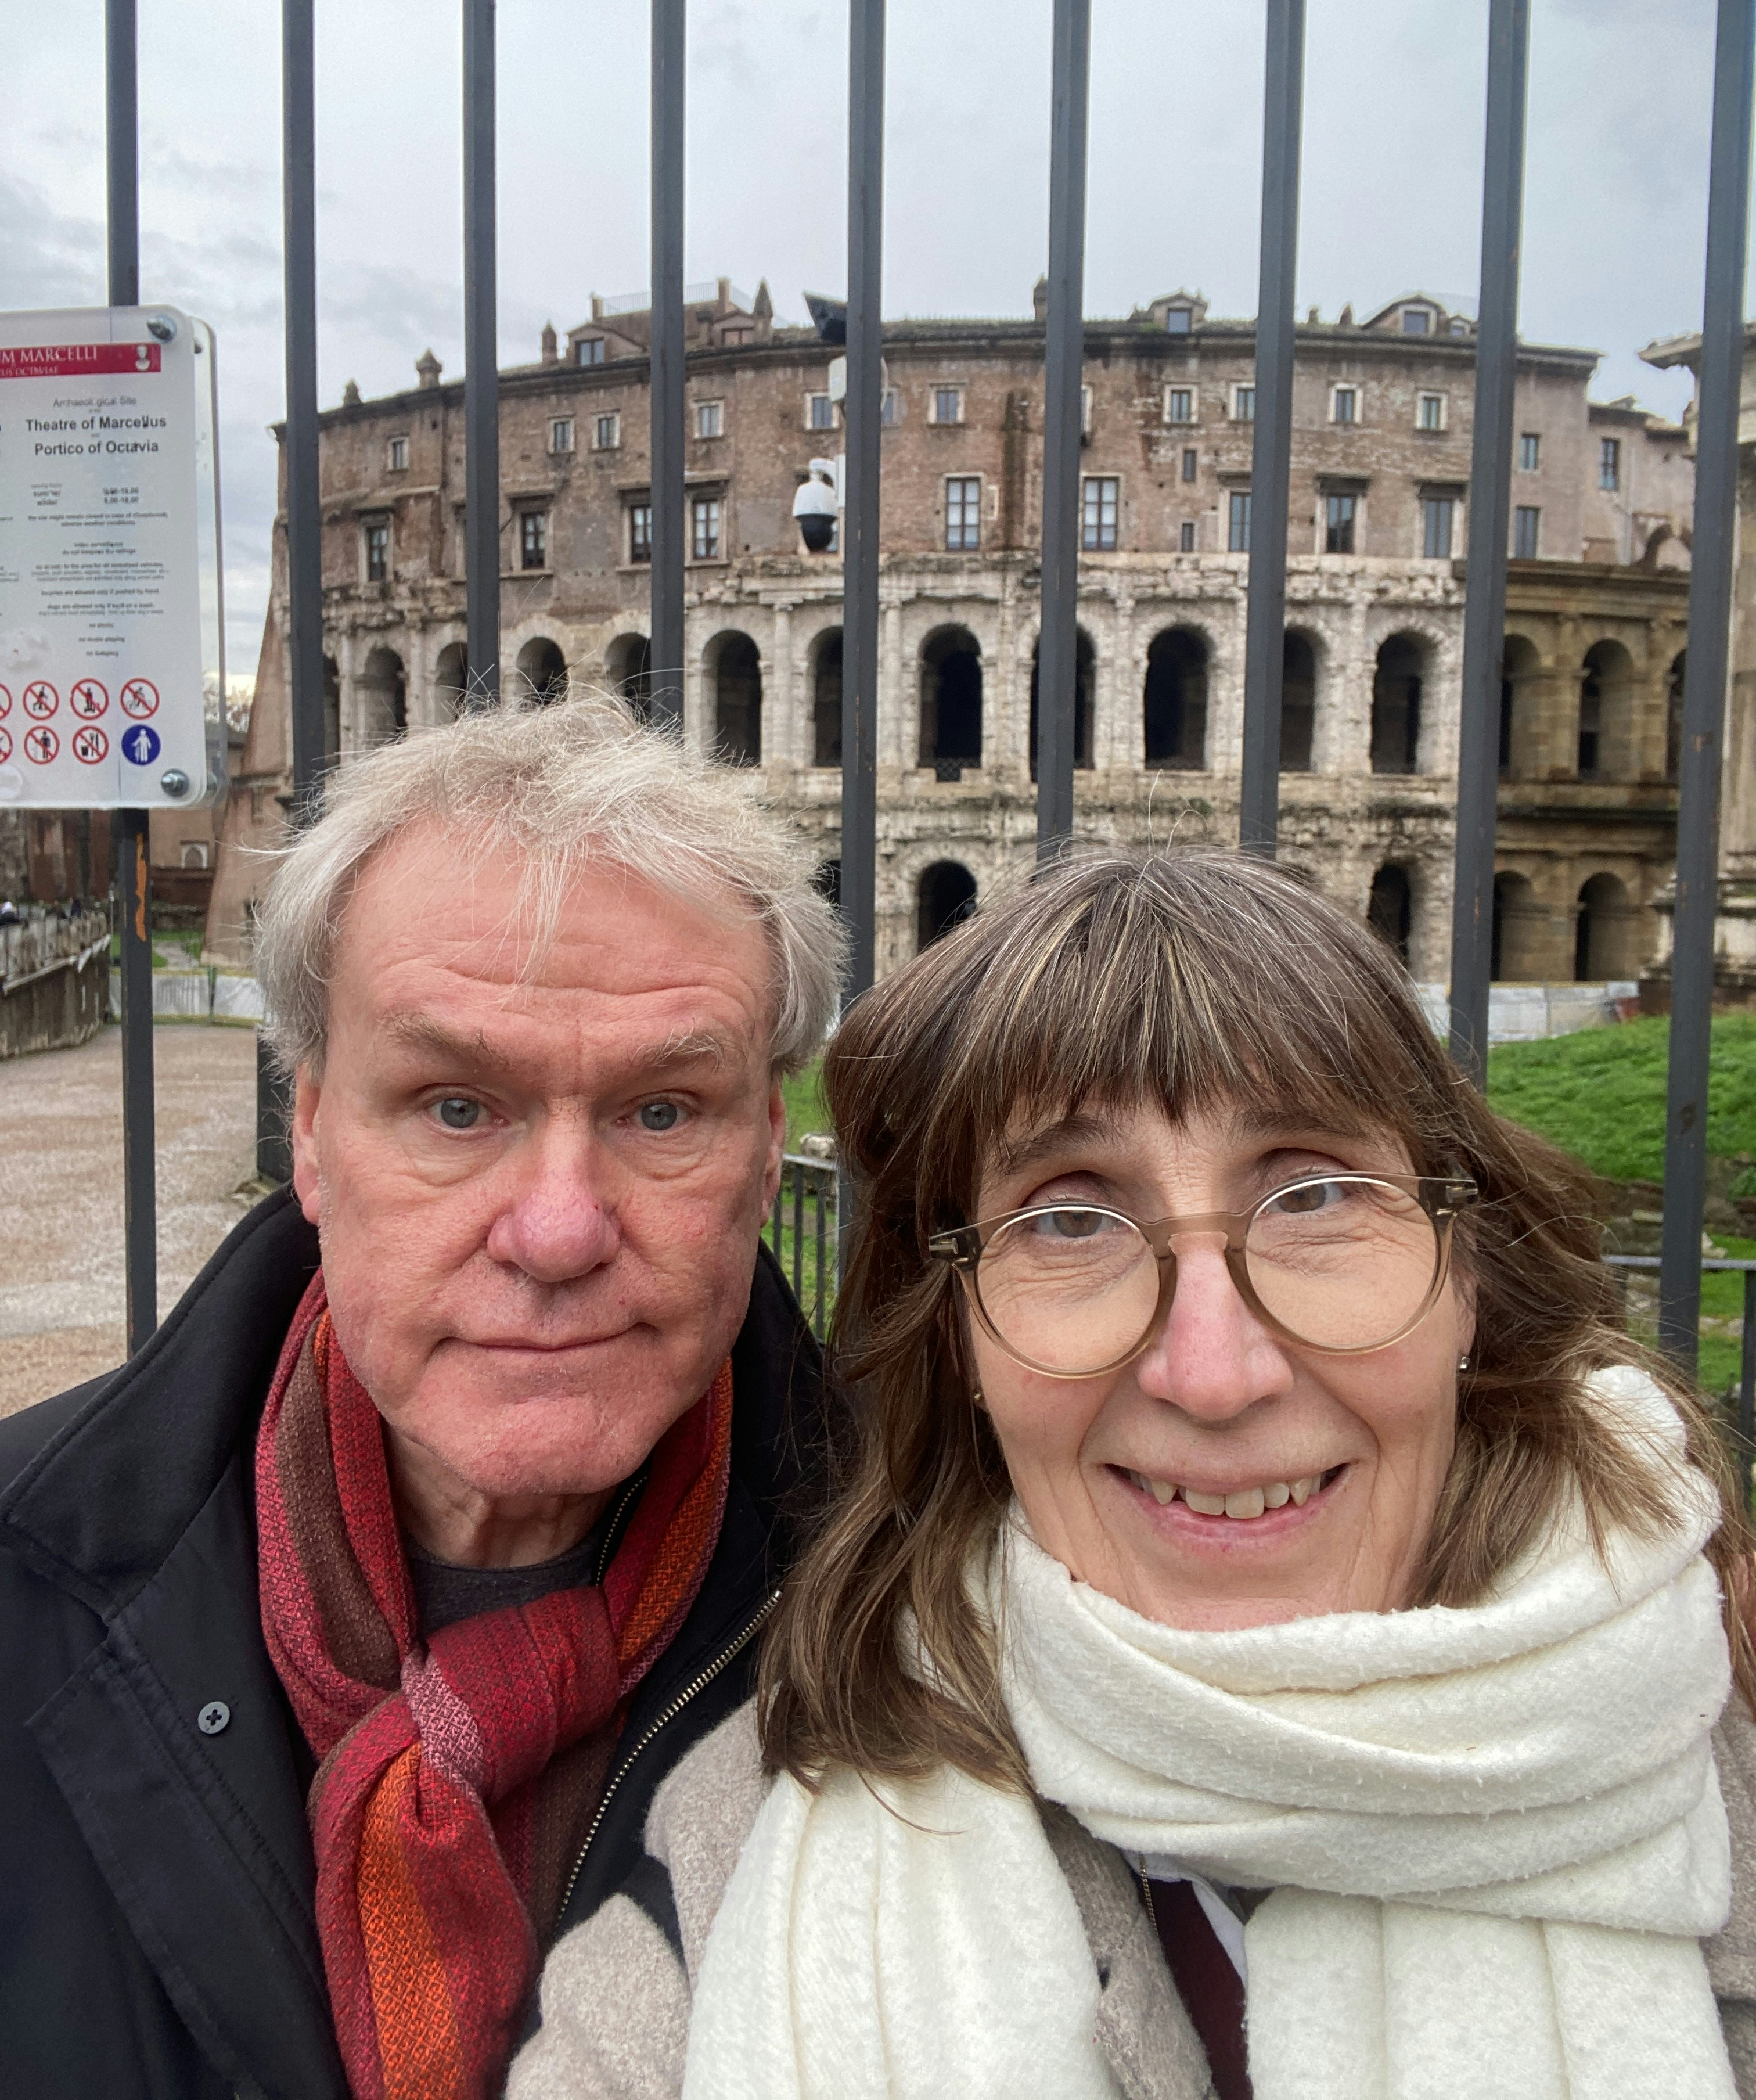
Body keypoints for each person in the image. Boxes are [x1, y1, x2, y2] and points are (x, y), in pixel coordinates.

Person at [514, 846, 1756, 2100]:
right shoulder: (731, 1871)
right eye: (1069, 1219)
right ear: (959, 1333)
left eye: (1317, 1197)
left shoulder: (1731, 1744)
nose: (1213, 1373)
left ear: (1468, 1278)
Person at [0, 696, 842, 2100]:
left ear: (767, 1159)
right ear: (312, 1137)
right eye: (457, 1106)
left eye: (662, 1112)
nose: (560, 1231)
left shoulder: (931, 1615)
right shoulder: (24, 1577)